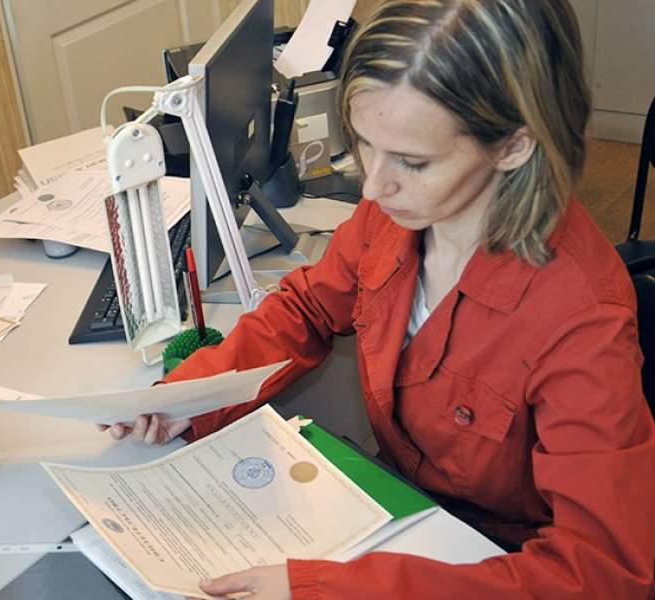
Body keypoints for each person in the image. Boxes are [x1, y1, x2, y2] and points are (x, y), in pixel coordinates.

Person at [105, 0, 655, 597]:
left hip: (492, 564)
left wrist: (331, 591)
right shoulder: (400, 210)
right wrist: (195, 396)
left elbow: (602, 574)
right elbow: (309, 307)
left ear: (514, 146)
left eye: (412, 162)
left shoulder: (582, 319)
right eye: (365, 144)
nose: (373, 186)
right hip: (396, 514)